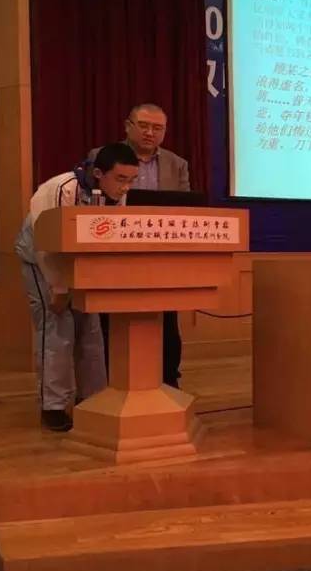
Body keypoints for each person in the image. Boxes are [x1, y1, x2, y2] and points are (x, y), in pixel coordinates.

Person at [14, 143, 140, 431]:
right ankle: (53, 406)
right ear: (98, 174)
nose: (125, 187)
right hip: (41, 262)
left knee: (90, 331)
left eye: (131, 180)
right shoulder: (62, 189)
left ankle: (92, 398)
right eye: (120, 179)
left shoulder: (116, 195)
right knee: (56, 330)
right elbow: (46, 242)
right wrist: (59, 288)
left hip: (82, 267)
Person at [87, 104, 189, 387]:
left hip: (159, 255)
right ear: (127, 126)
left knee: (167, 320)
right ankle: (109, 380)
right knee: (109, 318)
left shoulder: (177, 164)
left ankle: (168, 379)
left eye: (157, 128)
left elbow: (185, 209)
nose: (149, 133)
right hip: (113, 253)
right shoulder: (101, 156)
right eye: (143, 125)